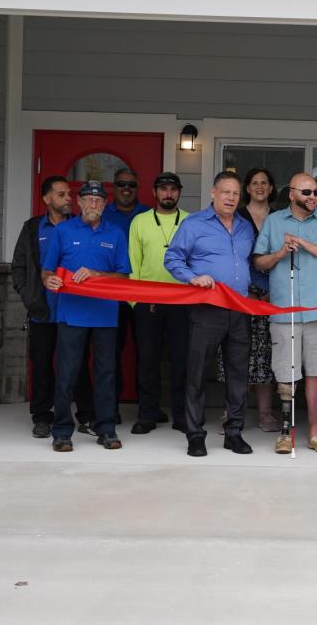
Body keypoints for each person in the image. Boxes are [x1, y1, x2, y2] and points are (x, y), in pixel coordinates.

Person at [164, 171, 257, 458]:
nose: (231, 197)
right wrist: (192, 277)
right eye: (225, 192)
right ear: (213, 193)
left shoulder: (245, 227)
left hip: (240, 309)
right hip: (207, 311)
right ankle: (195, 435)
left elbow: (249, 265)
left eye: (235, 193)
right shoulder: (194, 224)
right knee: (197, 373)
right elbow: (172, 259)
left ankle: (234, 433)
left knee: (238, 375)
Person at [40, 181, 132, 452]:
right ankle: (62, 431)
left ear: (105, 204)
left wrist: (97, 274)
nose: (93, 204)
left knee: (106, 374)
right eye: (88, 199)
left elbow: (124, 275)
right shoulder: (64, 231)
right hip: (71, 314)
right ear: (78, 202)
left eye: (99, 200)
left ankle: (106, 429)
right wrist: (50, 281)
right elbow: (48, 271)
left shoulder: (115, 233)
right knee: (66, 375)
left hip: (105, 315)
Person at [254, 172, 317, 455]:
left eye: (315, 192)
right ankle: (284, 433)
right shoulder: (274, 220)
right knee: (286, 374)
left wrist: (302, 244)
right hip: (284, 307)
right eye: (306, 192)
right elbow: (260, 262)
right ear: (291, 194)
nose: (313, 197)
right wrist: (280, 252)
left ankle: (315, 434)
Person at [12, 175, 94, 438]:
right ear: (47, 199)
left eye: (69, 195)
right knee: (42, 365)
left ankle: (86, 416)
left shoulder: (80, 227)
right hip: (42, 312)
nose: (68, 199)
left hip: (74, 311)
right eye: (61, 194)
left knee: (79, 365)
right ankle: (42, 417)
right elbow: (19, 267)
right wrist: (29, 296)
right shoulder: (33, 228)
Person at [127, 172, 190, 435]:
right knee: (148, 361)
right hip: (148, 302)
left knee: (182, 361)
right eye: (163, 189)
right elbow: (133, 262)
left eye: (173, 189)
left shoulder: (190, 221)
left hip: (183, 301)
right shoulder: (139, 221)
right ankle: (147, 414)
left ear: (178, 193)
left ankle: (182, 415)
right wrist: (135, 302)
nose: (168, 194)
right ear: (154, 192)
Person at [223, 167, 280, 433]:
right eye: (254, 182)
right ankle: (232, 413)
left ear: (271, 188)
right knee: (236, 354)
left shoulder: (280, 218)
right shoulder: (236, 217)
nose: (259, 187)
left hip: (271, 298)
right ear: (247, 188)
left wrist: (272, 289)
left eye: (264, 183)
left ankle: (266, 413)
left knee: (265, 356)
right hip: (239, 296)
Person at [102, 167, 151, 415]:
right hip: (113, 296)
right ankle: (111, 408)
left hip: (143, 295)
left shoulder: (148, 215)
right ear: (114, 186)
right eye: (121, 184)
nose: (126, 189)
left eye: (131, 185)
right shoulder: (103, 214)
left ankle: (147, 409)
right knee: (111, 354)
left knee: (146, 354)